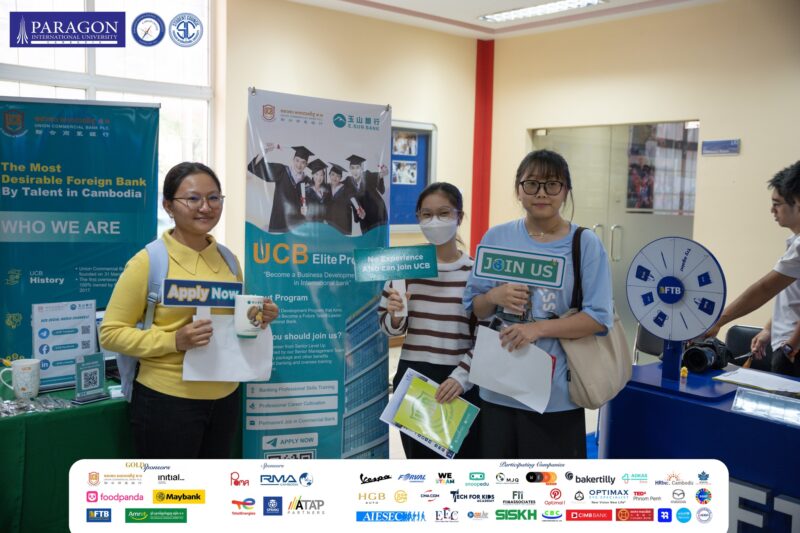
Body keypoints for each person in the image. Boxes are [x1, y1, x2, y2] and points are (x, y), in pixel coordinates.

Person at [100, 162, 280, 458]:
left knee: (211, 485)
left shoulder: (229, 260)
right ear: (168, 206)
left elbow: (233, 323)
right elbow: (110, 333)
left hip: (225, 396)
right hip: (167, 400)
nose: (205, 207)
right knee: (171, 487)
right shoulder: (149, 262)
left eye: (214, 198)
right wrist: (174, 340)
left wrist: (259, 317)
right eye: (193, 198)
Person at [464, 149, 614, 459]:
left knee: (548, 486)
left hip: (555, 397)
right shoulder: (496, 238)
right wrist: (493, 297)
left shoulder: (584, 244)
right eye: (531, 184)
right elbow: (476, 308)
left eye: (552, 184)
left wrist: (538, 329)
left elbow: (598, 319)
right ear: (518, 190)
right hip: (496, 389)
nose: (541, 193)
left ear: (566, 191)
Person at [378, 182, 481, 459]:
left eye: (444, 213)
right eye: (427, 214)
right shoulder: (404, 266)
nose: (435, 221)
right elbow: (388, 329)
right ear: (418, 218)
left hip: (459, 380)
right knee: (421, 466)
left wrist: (461, 378)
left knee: (464, 467)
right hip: (414, 377)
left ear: (459, 217)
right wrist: (395, 316)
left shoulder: (474, 272)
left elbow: (486, 336)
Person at [705, 161, 800, 377]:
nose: (772, 210)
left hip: (793, 351)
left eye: (777, 203)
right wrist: (769, 329)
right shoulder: (794, 242)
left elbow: (765, 288)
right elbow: (789, 296)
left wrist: (719, 321)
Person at [247, 145, 312, 233]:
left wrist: (307, 211)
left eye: (303, 162)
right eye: (297, 160)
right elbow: (256, 166)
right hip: (278, 223)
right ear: (293, 160)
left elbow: (311, 206)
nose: (299, 165)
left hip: (296, 227)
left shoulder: (308, 182)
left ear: (306, 165)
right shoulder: (282, 171)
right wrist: (265, 151)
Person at [346, 154, 388, 234]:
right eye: (352, 168)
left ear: (361, 169)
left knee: (379, 238)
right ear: (350, 169)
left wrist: (382, 166)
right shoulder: (349, 182)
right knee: (367, 238)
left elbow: (384, 172)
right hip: (364, 218)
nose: (355, 171)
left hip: (378, 215)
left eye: (357, 167)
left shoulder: (368, 176)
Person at [326, 163, 364, 235]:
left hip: (343, 225)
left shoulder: (346, 188)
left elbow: (353, 199)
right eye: (333, 174)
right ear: (329, 175)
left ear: (341, 178)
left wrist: (358, 208)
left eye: (338, 176)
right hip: (330, 223)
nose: (335, 178)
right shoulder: (326, 187)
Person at [304, 159, 330, 223]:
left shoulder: (326, 191)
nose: (319, 177)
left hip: (322, 224)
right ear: (312, 175)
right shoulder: (306, 191)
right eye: (316, 174)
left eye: (321, 175)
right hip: (310, 223)